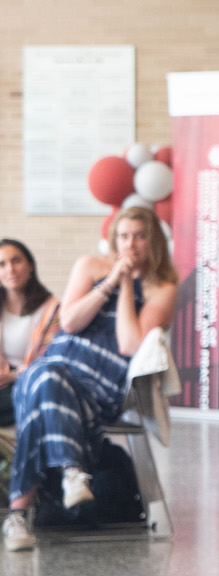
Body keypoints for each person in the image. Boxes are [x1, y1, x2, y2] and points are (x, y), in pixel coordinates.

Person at [3, 204, 178, 552]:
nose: (131, 245)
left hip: (100, 384)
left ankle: (17, 517)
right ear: (114, 238)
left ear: (154, 242)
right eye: (124, 236)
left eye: (140, 237)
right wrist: (112, 279)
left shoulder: (163, 288)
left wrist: (127, 286)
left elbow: (129, 343)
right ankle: (72, 470)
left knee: (44, 388)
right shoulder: (90, 266)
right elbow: (69, 322)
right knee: (46, 376)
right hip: (54, 365)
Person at [0, 241, 60, 429]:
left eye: (16, 261)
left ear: (30, 266)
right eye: (2, 264)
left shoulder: (51, 310)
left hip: (31, 382)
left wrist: (13, 375)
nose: (10, 269)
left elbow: (52, 359)